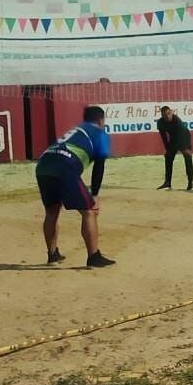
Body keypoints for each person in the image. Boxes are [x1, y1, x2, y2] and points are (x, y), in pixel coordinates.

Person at [35, 106, 116, 268]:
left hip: (43, 165)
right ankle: (94, 256)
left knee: (52, 211)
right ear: (101, 120)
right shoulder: (101, 134)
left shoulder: (75, 129)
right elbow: (99, 167)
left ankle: (52, 254)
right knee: (89, 211)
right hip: (65, 165)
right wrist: (95, 195)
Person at [156, 106, 193, 191]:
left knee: (187, 157)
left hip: (184, 137)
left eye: (168, 114)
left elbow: (182, 135)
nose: (167, 116)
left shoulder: (177, 121)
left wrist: (184, 148)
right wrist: (167, 149)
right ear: (162, 115)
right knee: (168, 157)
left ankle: (190, 183)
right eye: (165, 115)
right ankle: (167, 183)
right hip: (174, 138)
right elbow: (164, 137)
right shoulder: (160, 123)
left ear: (171, 112)